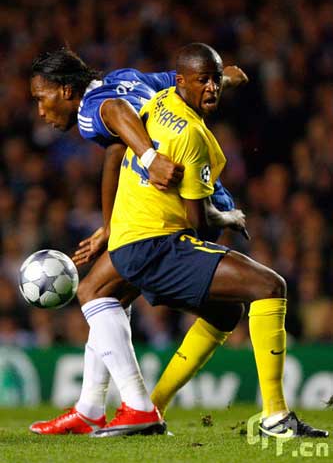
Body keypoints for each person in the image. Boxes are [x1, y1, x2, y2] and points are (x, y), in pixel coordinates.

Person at [93, 42, 328, 439]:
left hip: (134, 240)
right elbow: (197, 224)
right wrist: (228, 216)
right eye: (204, 81)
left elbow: (119, 149)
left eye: (216, 80)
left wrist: (229, 75)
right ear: (182, 80)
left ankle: (151, 409)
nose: (212, 88)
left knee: (225, 314)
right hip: (156, 244)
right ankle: (275, 417)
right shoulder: (190, 135)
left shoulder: (162, 99)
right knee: (269, 285)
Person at [29, 48, 249, 436]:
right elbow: (173, 86)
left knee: (94, 293)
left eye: (41, 98)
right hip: (202, 194)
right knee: (104, 293)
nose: (41, 111)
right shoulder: (130, 76)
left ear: (66, 91)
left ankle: (137, 405)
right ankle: (90, 408)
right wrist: (225, 79)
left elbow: (115, 111)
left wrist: (150, 158)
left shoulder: (90, 109)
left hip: (174, 205)